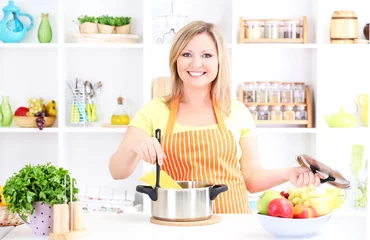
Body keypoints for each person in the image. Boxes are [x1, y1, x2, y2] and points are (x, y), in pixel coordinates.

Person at [109, 20, 321, 214]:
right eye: (186, 54)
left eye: (207, 55)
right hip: (177, 222)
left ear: (220, 62)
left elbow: (252, 178)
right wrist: (136, 146)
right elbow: (117, 171)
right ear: (175, 60)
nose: (196, 64)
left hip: (232, 224)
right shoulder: (154, 110)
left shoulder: (237, 111)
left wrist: (288, 173)